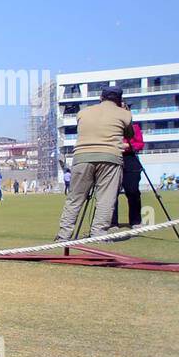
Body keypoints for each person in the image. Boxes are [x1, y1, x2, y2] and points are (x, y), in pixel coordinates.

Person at [55, 85, 134, 241]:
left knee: (75, 198)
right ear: (119, 100)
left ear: (101, 97)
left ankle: (63, 235)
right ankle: (98, 233)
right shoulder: (124, 114)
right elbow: (129, 134)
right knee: (106, 198)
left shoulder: (83, 113)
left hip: (82, 157)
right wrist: (125, 111)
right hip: (110, 158)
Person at [109, 114, 145, 230]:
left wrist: (128, 146)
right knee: (111, 192)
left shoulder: (134, 127)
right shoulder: (110, 126)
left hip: (130, 158)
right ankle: (112, 223)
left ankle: (135, 221)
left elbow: (140, 144)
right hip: (113, 158)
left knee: (133, 191)